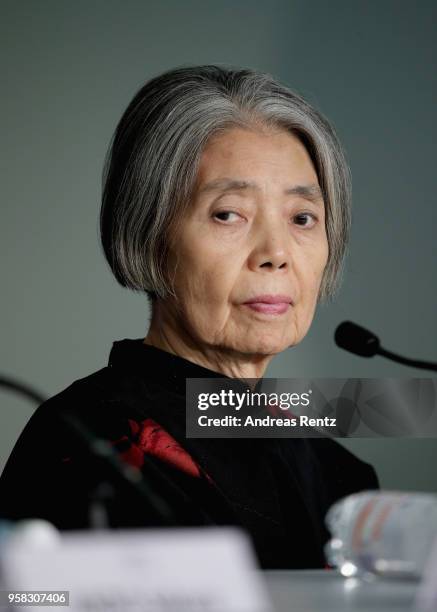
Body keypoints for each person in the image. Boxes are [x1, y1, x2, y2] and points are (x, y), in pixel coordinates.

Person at [0, 65, 379, 569]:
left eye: (302, 218)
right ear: (150, 236)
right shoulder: (91, 445)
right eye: (229, 214)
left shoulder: (339, 471)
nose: (275, 254)